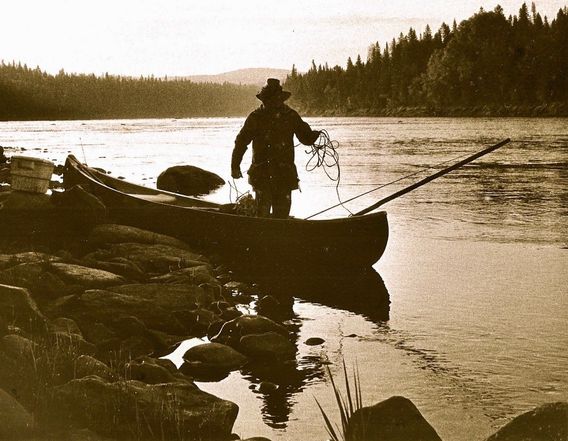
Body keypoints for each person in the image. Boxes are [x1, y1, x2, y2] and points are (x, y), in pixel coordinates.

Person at [231, 78, 320, 218]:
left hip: (283, 175)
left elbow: (306, 138)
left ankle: (277, 238)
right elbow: (241, 142)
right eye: (269, 99)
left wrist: (315, 135)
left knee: (281, 216)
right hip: (263, 176)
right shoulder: (256, 117)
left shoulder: (290, 116)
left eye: (275, 99)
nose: (272, 102)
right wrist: (234, 166)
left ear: (280, 99)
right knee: (263, 215)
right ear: (265, 100)